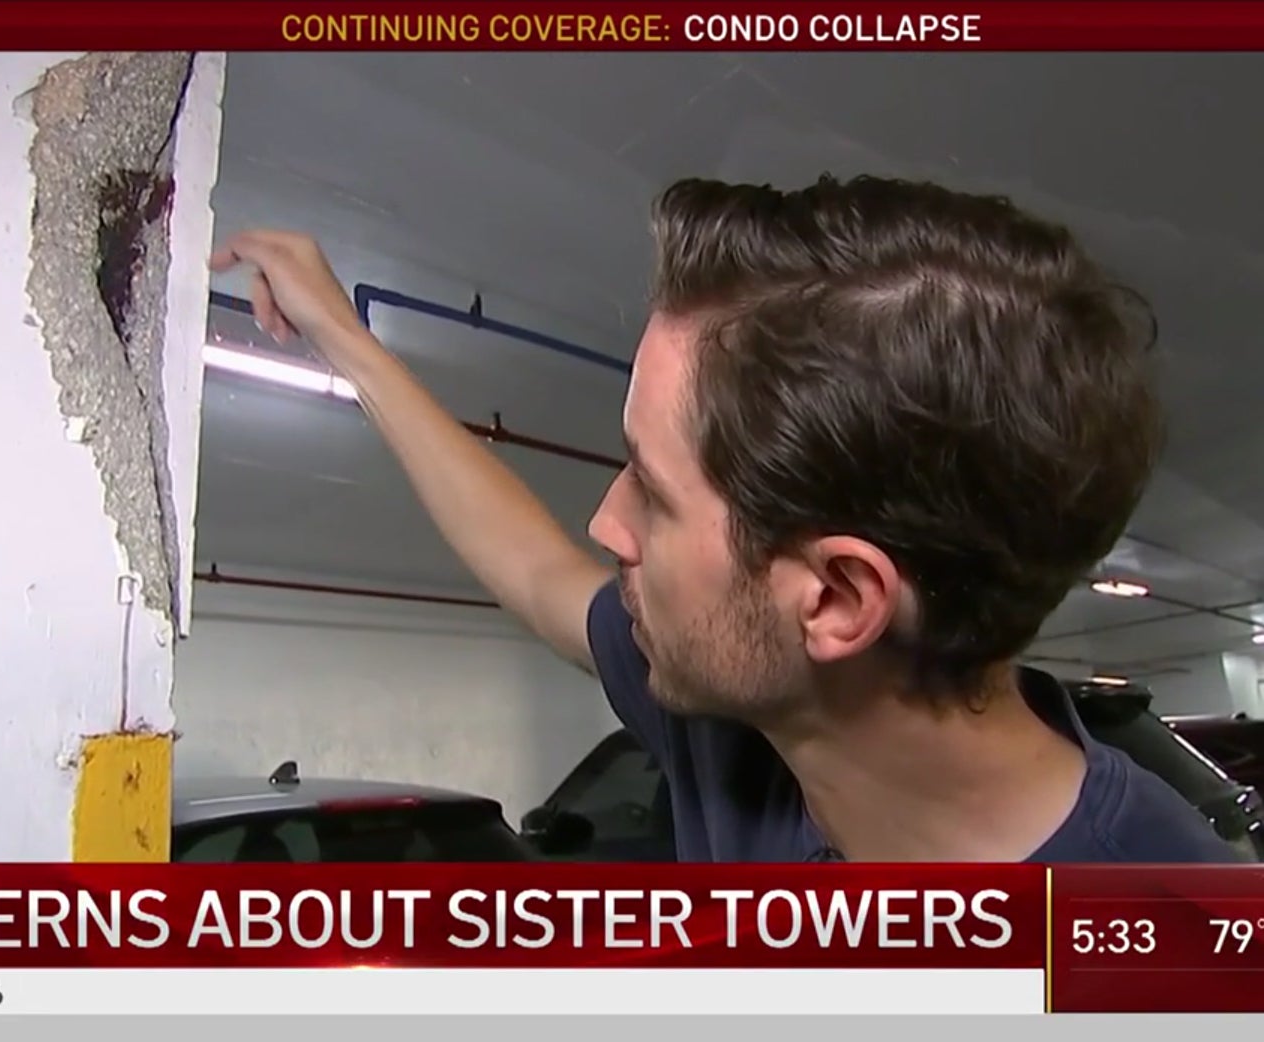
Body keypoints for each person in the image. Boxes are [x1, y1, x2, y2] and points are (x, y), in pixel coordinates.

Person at [210, 174, 1245, 863]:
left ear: (836, 600)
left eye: (653, 494)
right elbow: (530, 570)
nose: (604, 523)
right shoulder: (745, 719)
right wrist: (346, 336)